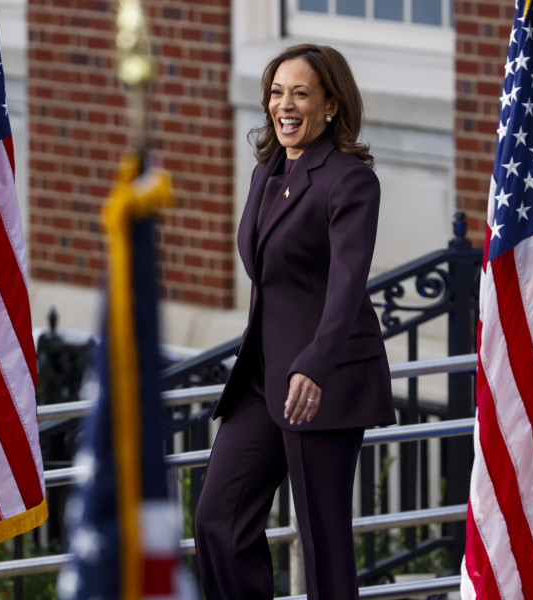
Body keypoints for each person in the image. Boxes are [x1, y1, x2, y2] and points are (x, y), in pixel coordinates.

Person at [193, 44, 397, 600]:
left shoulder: (349, 180)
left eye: (300, 93)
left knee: (323, 541)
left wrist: (315, 363)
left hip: (321, 381)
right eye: (277, 92)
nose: (285, 105)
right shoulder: (268, 171)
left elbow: (346, 285)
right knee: (218, 521)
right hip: (263, 378)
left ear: (330, 104)